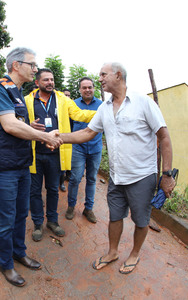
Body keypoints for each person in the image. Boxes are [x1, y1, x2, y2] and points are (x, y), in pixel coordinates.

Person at [58, 62, 175, 274]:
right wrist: (61, 138)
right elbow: (87, 133)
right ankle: (112, 252)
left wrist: (167, 174)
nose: (99, 79)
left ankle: (134, 253)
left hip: (142, 176)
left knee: (141, 220)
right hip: (116, 177)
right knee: (115, 216)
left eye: (103, 74)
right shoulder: (104, 108)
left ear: (118, 75)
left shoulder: (143, 103)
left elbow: (164, 137)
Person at [0, 47, 62, 287]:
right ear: (16, 65)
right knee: (6, 218)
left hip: (21, 163)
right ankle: (6, 264)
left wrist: (33, 129)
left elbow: (18, 124)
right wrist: (46, 137)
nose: (35, 69)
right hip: (3, 167)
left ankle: (19, 252)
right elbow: (9, 126)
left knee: (20, 214)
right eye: (32, 64)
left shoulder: (17, 92)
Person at [25, 68, 96, 242]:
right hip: (34, 154)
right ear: (37, 83)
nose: (50, 82)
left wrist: (103, 114)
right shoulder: (28, 100)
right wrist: (28, 124)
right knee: (34, 192)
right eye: (46, 80)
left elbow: (79, 114)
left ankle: (53, 221)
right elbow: (17, 121)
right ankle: (37, 224)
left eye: (52, 79)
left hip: (55, 153)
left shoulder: (63, 99)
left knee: (52, 190)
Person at [65, 77, 103, 223]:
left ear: (94, 88)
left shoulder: (101, 105)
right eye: (84, 87)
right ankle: (71, 206)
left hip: (95, 148)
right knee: (75, 179)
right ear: (80, 89)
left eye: (90, 87)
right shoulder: (73, 104)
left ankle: (88, 209)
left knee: (92, 179)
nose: (87, 90)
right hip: (77, 148)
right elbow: (67, 126)